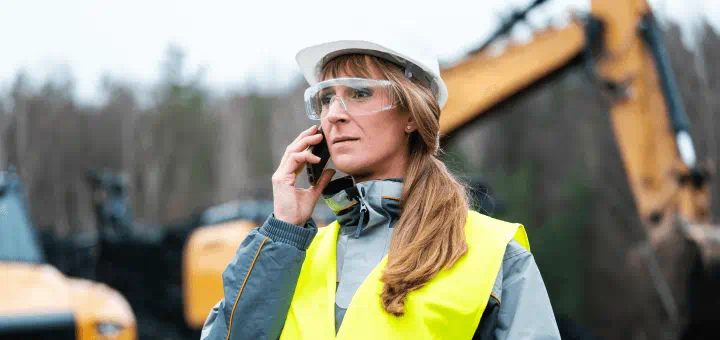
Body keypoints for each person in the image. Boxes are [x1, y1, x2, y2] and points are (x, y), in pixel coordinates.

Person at [200, 35, 561, 340]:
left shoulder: (495, 256)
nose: (334, 114)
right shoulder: (291, 254)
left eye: (359, 93)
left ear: (411, 113)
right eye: (326, 99)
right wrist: (284, 227)